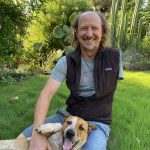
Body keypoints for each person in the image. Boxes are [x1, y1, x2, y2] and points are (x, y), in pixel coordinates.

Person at [23, 11, 123, 150]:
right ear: (76, 32)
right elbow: (45, 95)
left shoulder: (114, 58)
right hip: (68, 118)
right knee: (25, 139)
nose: (89, 34)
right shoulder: (66, 62)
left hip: (98, 122)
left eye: (94, 28)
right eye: (83, 28)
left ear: (103, 32)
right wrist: (37, 135)